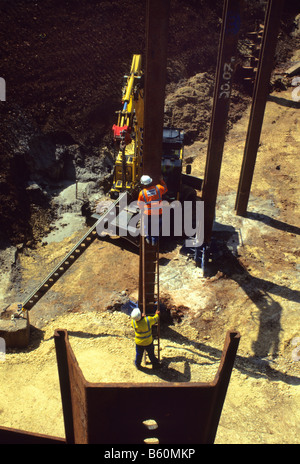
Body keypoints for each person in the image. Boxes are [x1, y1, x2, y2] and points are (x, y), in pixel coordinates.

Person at [137, 175, 168, 245]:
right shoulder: (158, 188)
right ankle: (154, 240)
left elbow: (139, 204)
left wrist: (143, 208)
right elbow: (165, 189)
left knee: (147, 226)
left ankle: (148, 238)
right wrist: (161, 181)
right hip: (158, 213)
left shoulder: (142, 193)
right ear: (151, 181)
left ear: (143, 184)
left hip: (148, 214)